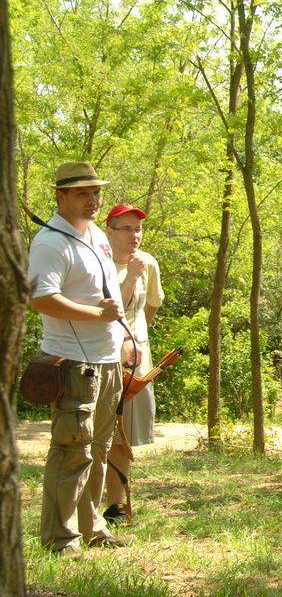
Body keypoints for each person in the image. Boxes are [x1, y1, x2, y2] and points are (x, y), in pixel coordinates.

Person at [28, 161, 127, 555]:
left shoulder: (96, 234)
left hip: (107, 359)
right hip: (73, 363)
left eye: (96, 192)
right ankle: (60, 538)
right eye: (82, 193)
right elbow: (41, 299)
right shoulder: (51, 243)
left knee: (99, 448)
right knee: (72, 450)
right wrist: (97, 315)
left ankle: (92, 528)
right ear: (61, 196)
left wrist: (121, 337)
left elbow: (106, 295)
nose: (92, 200)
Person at [102, 203, 164, 523]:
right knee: (98, 435)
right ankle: (87, 505)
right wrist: (131, 275)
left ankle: (115, 506)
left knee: (124, 436)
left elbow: (151, 305)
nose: (134, 235)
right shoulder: (99, 262)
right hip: (103, 359)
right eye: (126, 229)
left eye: (138, 229)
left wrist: (137, 336)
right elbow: (114, 310)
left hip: (136, 364)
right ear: (109, 231)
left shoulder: (148, 263)